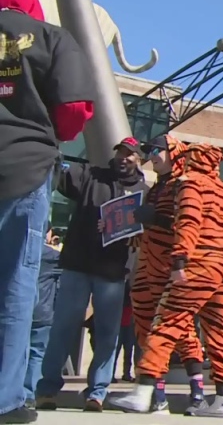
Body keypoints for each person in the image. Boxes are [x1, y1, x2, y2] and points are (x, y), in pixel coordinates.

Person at [0, 0, 93, 424]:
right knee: (18, 286)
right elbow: (75, 109)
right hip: (27, 166)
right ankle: (6, 400)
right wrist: (54, 134)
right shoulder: (53, 38)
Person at [112, 144, 223, 418]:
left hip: (201, 262)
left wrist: (179, 260)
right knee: (220, 335)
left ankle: (144, 391)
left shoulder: (189, 184)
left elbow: (188, 222)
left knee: (166, 322)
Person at [35, 137, 149, 412]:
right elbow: (60, 179)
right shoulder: (91, 175)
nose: (123, 158)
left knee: (108, 334)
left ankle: (96, 393)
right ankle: (47, 390)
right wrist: (51, 154)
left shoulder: (145, 193)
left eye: (130, 154)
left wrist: (135, 232)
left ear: (139, 160)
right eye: (120, 153)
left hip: (112, 271)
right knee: (63, 327)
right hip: (77, 264)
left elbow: (148, 229)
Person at [24, 232, 61, 410]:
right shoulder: (52, 256)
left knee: (15, 351)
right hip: (42, 311)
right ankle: (29, 394)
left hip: (18, 310)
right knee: (37, 353)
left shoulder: (16, 248)